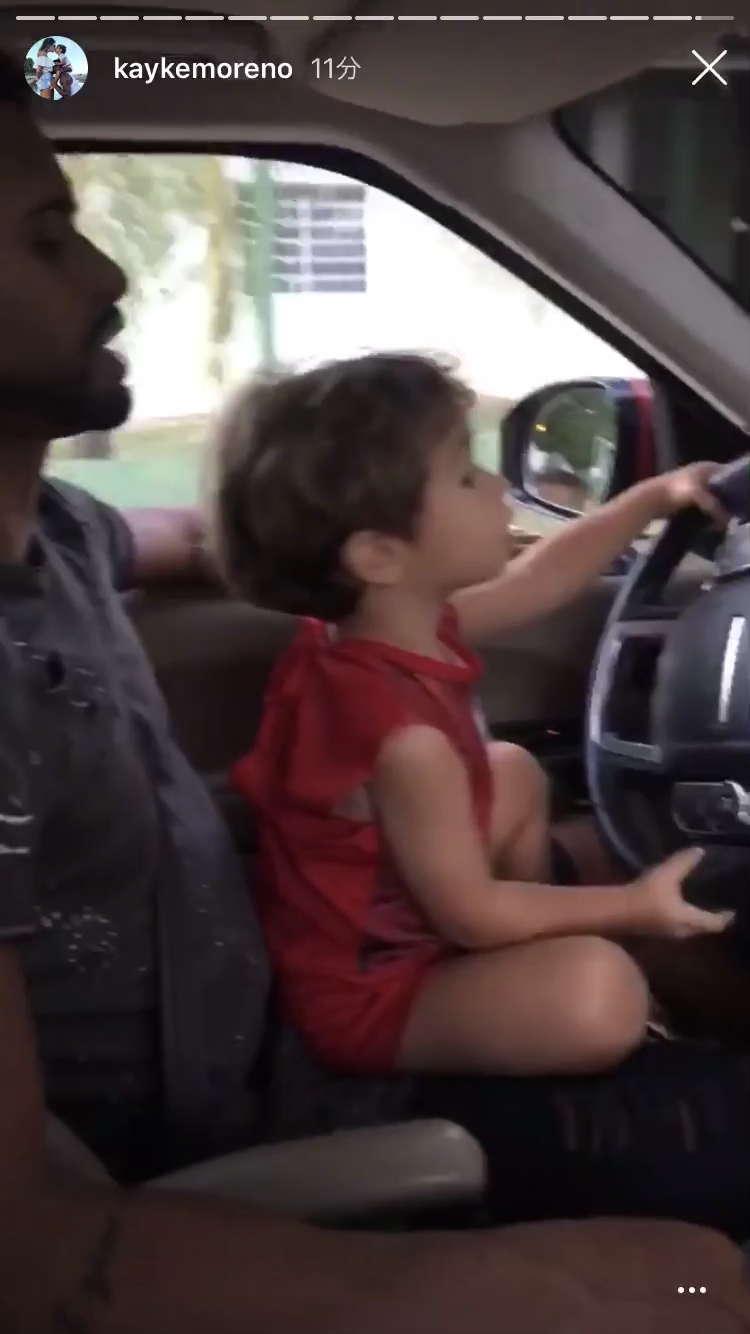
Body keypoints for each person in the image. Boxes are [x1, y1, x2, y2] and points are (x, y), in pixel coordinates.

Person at [0, 46, 747, 1334]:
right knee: (658, 1072)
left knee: (540, 808)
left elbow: (194, 541)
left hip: (300, 985)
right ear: (377, 551)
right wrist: (525, 1288)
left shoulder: (58, 532)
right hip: (286, 1113)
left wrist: (301, 532)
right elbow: (27, 1252)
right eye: (43, 237)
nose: (110, 275)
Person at [214, 357, 732, 1081]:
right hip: (371, 996)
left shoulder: (388, 632)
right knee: (600, 989)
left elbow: (539, 578)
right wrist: (633, 906)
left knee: (510, 770)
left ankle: (524, 964)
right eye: (465, 476)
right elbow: (473, 915)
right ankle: (528, 995)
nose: (496, 485)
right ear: (379, 555)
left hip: (408, 915)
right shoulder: (406, 742)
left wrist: (652, 498)